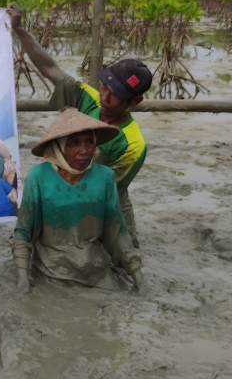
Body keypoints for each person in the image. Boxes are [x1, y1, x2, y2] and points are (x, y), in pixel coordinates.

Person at [8, 2, 152, 246]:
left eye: (115, 95)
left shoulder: (133, 145)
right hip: (64, 180)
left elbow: (103, 192)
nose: (104, 98)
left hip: (103, 198)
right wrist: (19, 29)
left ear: (134, 102)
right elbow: (49, 67)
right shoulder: (88, 97)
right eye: (104, 87)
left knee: (120, 256)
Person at [12, 108, 145, 295]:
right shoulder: (38, 177)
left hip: (96, 273)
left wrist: (137, 276)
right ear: (58, 147)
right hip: (50, 274)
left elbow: (117, 230)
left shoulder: (104, 177)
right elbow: (24, 231)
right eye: (74, 143)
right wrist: (22, 281)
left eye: (89, 142)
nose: (84, 150)